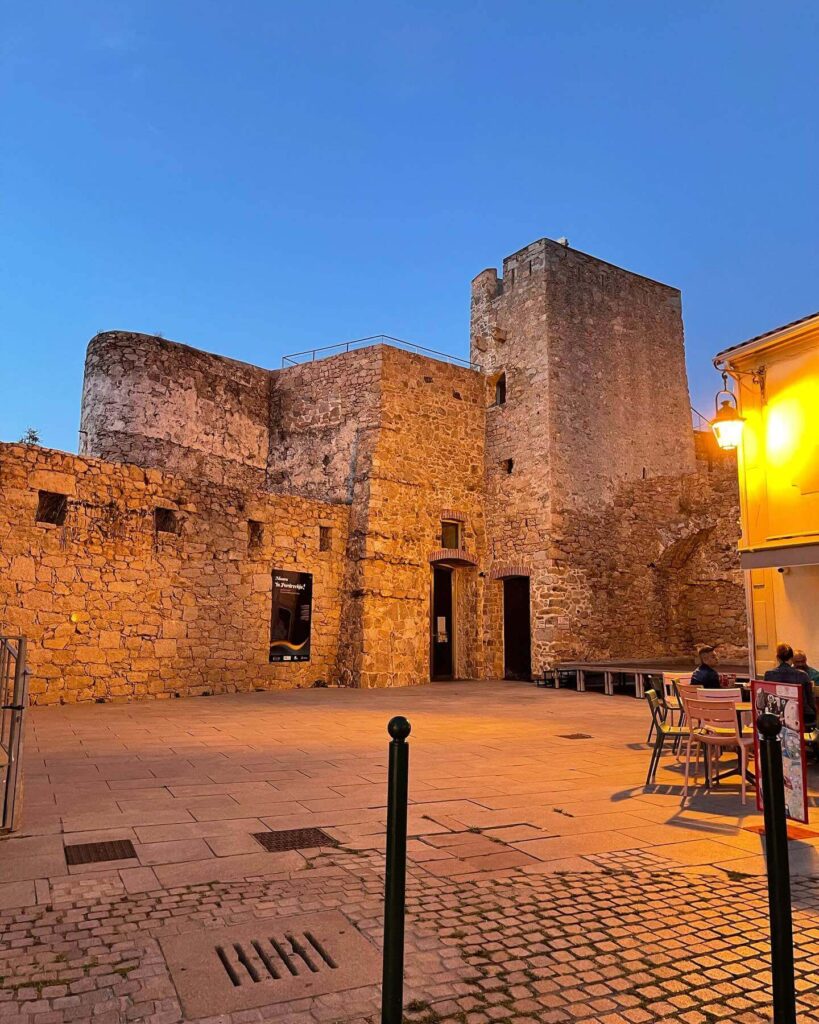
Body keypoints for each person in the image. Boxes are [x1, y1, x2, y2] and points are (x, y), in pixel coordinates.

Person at [763, 643, 817, 728]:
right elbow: (810, 701)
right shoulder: (803, 675)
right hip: (803, 717)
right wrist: (814, 714)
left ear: (777, 658)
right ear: (792, 658)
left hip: (777, 717)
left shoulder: (769, 675)